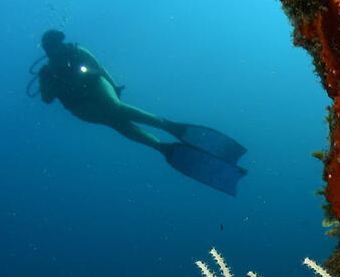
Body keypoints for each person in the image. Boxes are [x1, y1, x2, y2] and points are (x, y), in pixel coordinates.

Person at [31, 30, 247, 195]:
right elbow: (47, 99)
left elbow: (100, 68)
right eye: (52, 49)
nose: (58, 51)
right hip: (79, 106)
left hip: (95, 85)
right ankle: (159, 146)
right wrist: (49, 82)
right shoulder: (47, 73)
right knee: (115, 122)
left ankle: (165, 125)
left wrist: (114, 86)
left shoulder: (77, 51)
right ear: (47, 51)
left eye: (58, 45)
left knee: (115, 108)